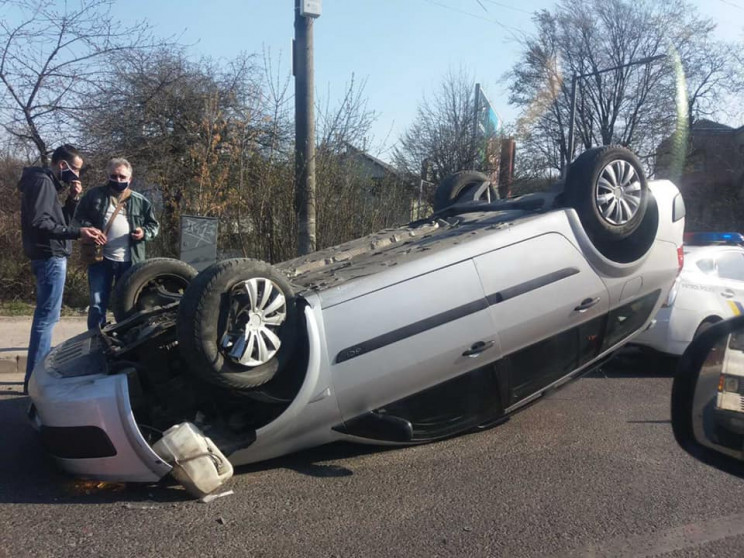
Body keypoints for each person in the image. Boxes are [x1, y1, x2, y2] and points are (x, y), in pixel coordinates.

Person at [18, 144, 106, 393]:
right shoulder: (42, 183)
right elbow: (41, 223)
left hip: (48, 256)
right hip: (50, 257)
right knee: (47, 320)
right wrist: (79, 233)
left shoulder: (45, 184)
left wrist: (73, 198)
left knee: (46, 318)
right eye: (75, 170)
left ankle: (34, 380)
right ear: (62, 165)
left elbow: (60, 221)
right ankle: (35, 383)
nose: (77, 175)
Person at [74, 157, 159, 330]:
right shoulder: (94, 195)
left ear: (130, 179)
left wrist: (143, 232)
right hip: (100, 259)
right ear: (108, 175)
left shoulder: (140, 201)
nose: (118, 180)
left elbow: (154, 226)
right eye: (114, 176)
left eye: (122, 177)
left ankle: (125, 339)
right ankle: (95, 338)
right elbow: (78, 219)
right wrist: (91, 230)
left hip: (130, 262)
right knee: (97, 302)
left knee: (127, 303)